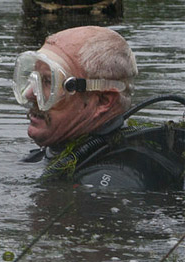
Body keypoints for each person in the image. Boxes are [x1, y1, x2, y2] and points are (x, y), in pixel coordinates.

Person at [14, 26, 185, 190]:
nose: (29, 93)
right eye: (32, 78)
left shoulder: (113, 181)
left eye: (49, 82)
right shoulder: (60, 153)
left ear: (103, 101)